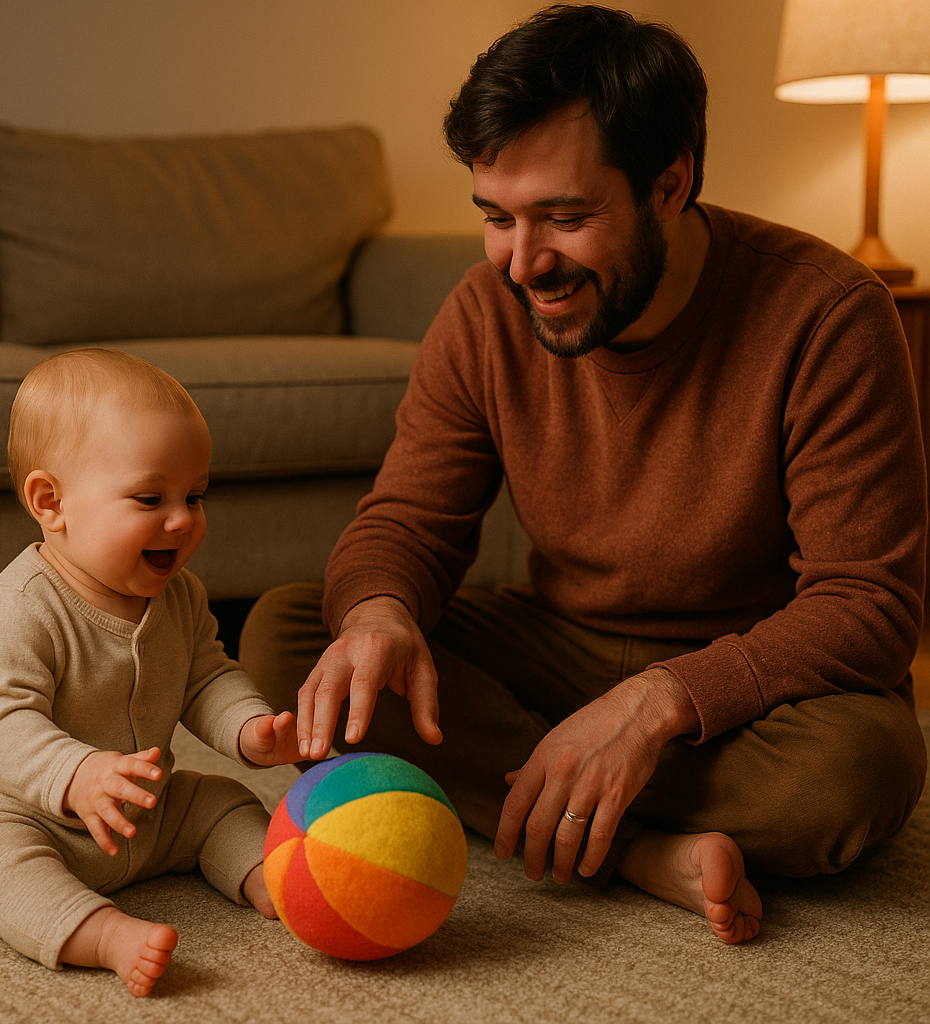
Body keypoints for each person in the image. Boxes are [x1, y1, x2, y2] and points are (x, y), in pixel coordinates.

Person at [239, 2, 928, 945]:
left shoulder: (829, 314)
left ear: (669, 184)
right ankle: (640, 848)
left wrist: (656, 705)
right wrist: (380, 614)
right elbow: (406, 520)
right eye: (496, 218)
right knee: (292, 638)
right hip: (558, 646)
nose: (524, 266)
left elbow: (869, 607)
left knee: (858, 770)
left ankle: (567, 797)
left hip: (744, 684)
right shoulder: (485, 309)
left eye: (564, 217)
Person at [0, 348, 301, 996]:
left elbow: (206, 675)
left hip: (143, 816)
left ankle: (273, 877)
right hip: (16, 812)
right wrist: (77, 774)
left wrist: (250, 728)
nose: (182, 520)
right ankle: (101, 932)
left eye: (195, 495)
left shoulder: (181, 596)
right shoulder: (20, 607)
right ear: (52, 501)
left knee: (224, 800)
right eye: (151, 497)